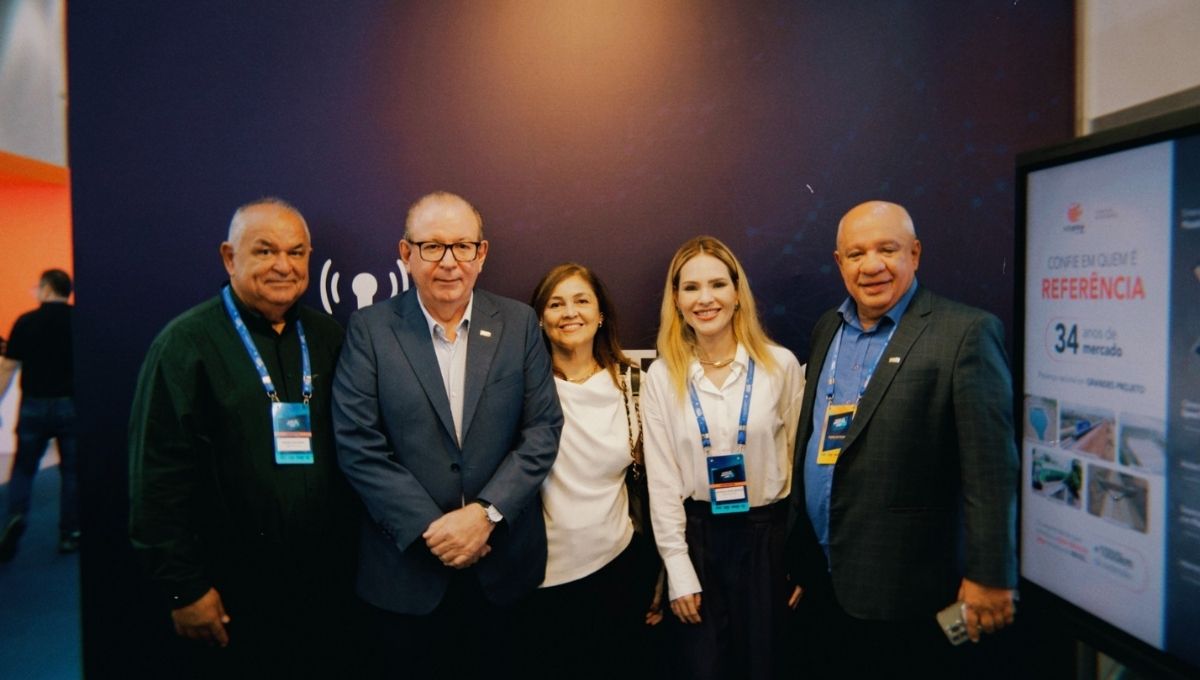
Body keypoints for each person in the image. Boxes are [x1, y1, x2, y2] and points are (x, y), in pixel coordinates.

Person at [332, 191, 562, 678]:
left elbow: (542, 429)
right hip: (406, 576)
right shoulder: (370, 329)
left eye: (462, 246)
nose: (449, 262)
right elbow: (358, 445)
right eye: (432, 246)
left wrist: (485, 514)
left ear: (482, 253)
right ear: (405, 253)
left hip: (503, 572)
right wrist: (435, 531)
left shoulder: (519, 323)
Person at [128, 198, 362, 675]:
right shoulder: (184, 344)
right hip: (230, 592)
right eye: (265, 251)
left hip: (326, 585)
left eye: (296, 252)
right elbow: (157, 477)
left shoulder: (329, 337)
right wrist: (185, 589)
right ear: (229, 258)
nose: (284, 266)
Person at [786, 200, 1018, 678]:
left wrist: (990, 574)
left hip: (907, 590)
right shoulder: (827, 328)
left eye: (887, 249)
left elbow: (991, 469)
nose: (871, 266)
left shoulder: (966, 333)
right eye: (856, 254)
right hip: (825, 577)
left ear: (915, 253)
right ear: (839, 263)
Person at [641, 236, 804, 680]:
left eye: (717, 284)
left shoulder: (780, 366)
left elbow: (800, 467)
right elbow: (662, 483)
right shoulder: (662, 377)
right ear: (677, 300)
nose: (705, 298)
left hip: (766, 541)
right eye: (691, 287)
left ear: (737, 293)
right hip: (699, 541)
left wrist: (798, 559)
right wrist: (678, 570)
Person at [525, 262, 663, 679]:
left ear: (600, 314)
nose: (570, 312)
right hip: (536, 581)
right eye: (556, 304)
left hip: (618, 568)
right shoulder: (521, 388)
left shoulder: (633, 386)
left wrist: (662, 570)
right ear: (539, 318)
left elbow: (658, 486)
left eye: (581, 301)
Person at [0, 269, 77, 562]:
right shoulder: (78, 321)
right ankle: (69, 533)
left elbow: (8, 368)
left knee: (23, 467)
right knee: (71, 471)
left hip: (33, 404)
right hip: (70, 405)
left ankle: (16, 516)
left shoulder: (26, 322)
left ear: (46, 288)